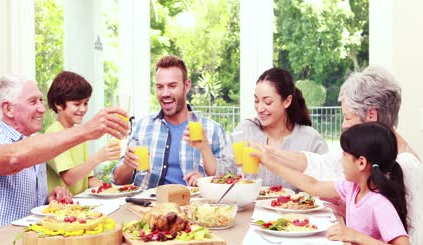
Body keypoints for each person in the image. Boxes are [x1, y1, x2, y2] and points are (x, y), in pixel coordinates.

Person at [259, 65, 423, 245]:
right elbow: (320, 169)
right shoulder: (367, 159)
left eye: (347, 117)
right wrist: (271, 156)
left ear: (371, 115)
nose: (343, 124)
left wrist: (356, 233)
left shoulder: (405, 166)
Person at [0, 74, 129, 241]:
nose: (42, 108)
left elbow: (30, 203)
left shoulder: (35, 142)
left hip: (27, 240)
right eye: (33, 102)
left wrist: (49, 198)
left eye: (41, 100)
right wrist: (86, 130)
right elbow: (12, 159)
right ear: (8, 109)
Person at [253, 122, 415, 245]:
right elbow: (313, 185)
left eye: (344, 155)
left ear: (361, 162)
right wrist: (269, 163)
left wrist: (356, 236)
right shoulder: (353, 188)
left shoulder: (379, 203)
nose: (341, 161)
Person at [191, 67, 327, 187]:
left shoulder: (310, 139)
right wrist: (204, 147)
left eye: (268, 102)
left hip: (290, 214)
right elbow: (224, 174)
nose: (260, 108)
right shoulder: (245, 129)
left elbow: (324, 185)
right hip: (248, 213)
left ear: (287, 101)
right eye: (256, 101)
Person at [112, 55, 226, 189]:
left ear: (187, 86)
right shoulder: (142, 127)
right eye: (160, 87)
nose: (165, 93)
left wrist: (207, 182)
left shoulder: (212, 130)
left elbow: (229, 180)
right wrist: (127, 164)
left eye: (172, 86)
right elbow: (118, 181)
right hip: (147, 206)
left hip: (192, 207)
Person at [45, 71, 121, 195]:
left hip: (80, 206)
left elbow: (89, 179)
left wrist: (117, 192)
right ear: (58, 104)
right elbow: (69, 178)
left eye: (85, 103)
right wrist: (98, 157)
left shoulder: (79, 133)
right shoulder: (53, 134)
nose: (83, 109)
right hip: (61, 208)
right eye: (77, 104)